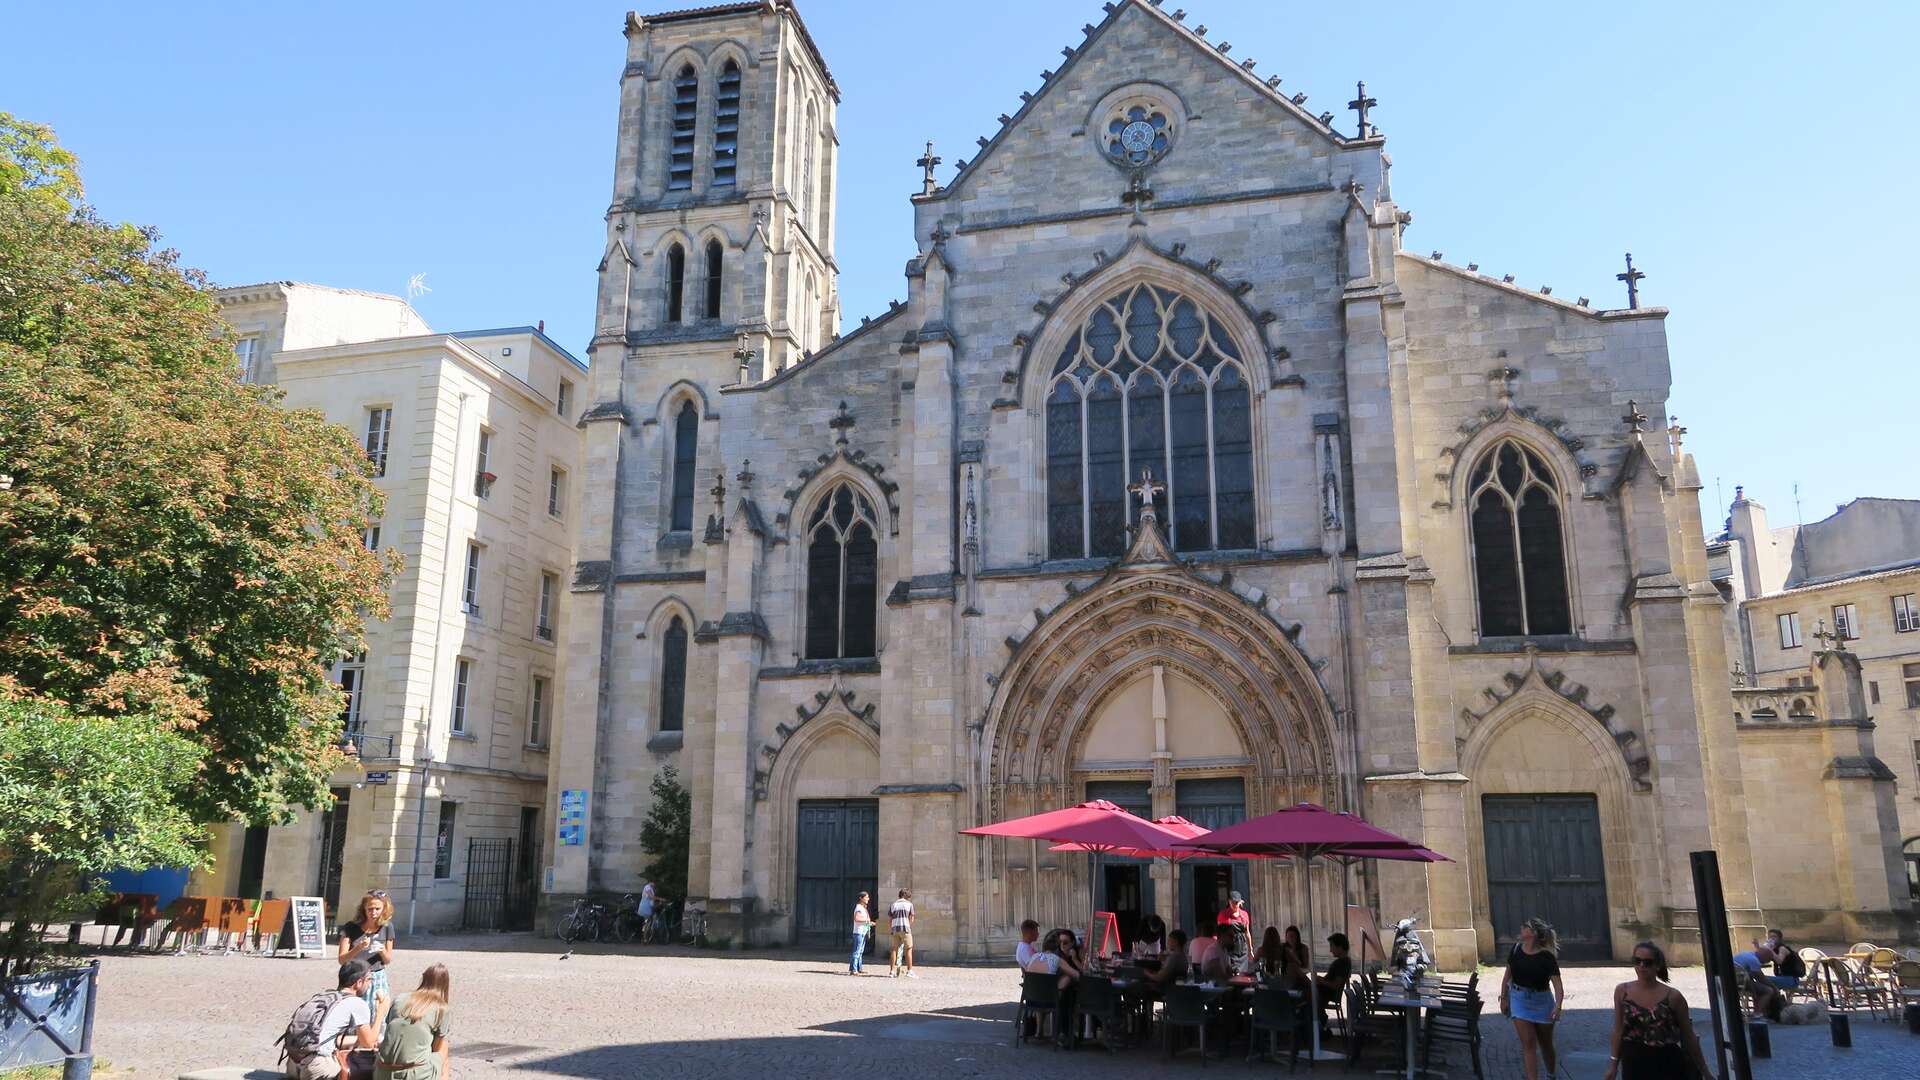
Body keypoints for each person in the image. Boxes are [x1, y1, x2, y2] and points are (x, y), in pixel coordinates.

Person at [1605, 941, 1711, 1080]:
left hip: (1667, 1062)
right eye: (1637, 961)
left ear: (1657, 965)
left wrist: (1705, 1071)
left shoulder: (1673, 997)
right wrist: (1613, 1066)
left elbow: (1688, 1035)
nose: (1641, 966)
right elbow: (1618, 1030)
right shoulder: (1622, 991)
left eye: (1647, 962)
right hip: (1633, 1062)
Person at [279, 959, 382, 1080]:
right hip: (317, 1067)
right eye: (369, 979)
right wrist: (381, 1010)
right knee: (364, 1072)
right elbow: (369, 1043)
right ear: (359, 982)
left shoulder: (325, 997)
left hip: (293, 1063)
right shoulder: (357, 1003)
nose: (370, 984)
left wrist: (357, 1040)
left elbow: (331, 1038)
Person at [1499, 918, 1565, 1080]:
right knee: (1528, 1044)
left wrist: (1558, 1006)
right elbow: (1507, 976)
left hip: (1542, 1001)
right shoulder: (1515, 950)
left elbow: (1557, 985)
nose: (1521, 928)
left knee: (1546, 1044)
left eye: (1525, 927)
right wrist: (1504, 998)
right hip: (1519, 999)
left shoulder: (1547, 957)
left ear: (1534, 933)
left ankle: (1551, 1074)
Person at [377, 964, 451, 1080]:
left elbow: (390, 1031)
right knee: (444, 1047)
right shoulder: (441, 1008)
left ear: (423, 978)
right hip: (415, 1073)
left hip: (382, 1070)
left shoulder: (400, 999)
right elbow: (437, 1048)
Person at [338, 892, 395, 1020]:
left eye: (377, 909)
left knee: (377, 1015)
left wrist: (382, 951)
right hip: (354, 977)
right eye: (370, 909)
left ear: (384, 909)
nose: (373, 912)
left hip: (377, 977)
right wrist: (358, 948)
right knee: (352, 1016)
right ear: (363, 908)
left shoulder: (387, 927)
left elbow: (387, 960)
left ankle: (373, 1039)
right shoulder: (351, 928)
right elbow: (342, 959)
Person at [1024, 929, 1082, 1048]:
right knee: (1066, 989)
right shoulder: (1056, 959)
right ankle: (1065, 1034)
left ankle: (1049, 1032)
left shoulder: (1033, 958)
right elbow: (1077, 976)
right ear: (1056, 945)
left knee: (1063, 986)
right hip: (1049, 1002)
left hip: (1031, 1001)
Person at [1312, 933, 1353, 1028]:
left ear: (1340, 947)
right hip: (1324, 992)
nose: (1330, 950)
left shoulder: (1341, 963)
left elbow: (1335, 985)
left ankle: (1318, 1020)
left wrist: (1320, 980)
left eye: (1332, 946)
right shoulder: (1345, 962)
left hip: (1325, 994)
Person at [888, 889, 916, 978]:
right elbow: (911, 918)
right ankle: (909, 971)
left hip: (895, 929)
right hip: (905, 928)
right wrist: (908, 925)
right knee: (908, 949)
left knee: (894, 950)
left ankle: (892, 971)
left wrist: (892, 928)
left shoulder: (893, 904)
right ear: (906, 895)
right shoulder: (909, 904)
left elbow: (890, 919)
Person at [849, 891, 872, 975]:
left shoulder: (863, 908)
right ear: (861, 898)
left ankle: (858, 968)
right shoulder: (859, 907)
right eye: (866, 897)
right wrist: (867, 921)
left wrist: (868, 927)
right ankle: (854, 970)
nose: (868, 899)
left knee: (860, 951)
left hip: (862, 932)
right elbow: (857, 919)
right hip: (858, 932)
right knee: (857, 951)